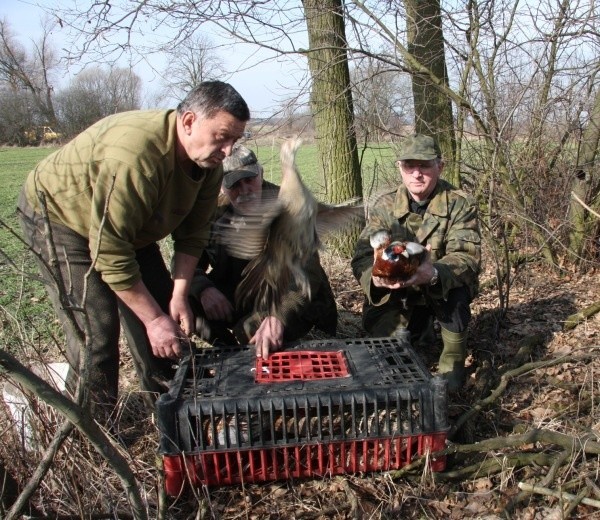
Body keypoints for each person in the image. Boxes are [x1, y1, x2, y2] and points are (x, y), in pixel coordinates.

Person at [17, 81, 250, 416]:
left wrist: (179, 295)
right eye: (222, 136)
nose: (228, 150)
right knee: (97, 332)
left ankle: (165, 405)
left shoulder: (207, 162)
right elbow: (110, 250)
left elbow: (192, 236)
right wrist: (153, 319)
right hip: (61, 216)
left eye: (235, 140)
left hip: (127, 228)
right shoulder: (137, 156)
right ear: (188, 122)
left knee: (162, 304)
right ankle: (94, 431)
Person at [351, 134, 481, 392]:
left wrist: (433, 272)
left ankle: (452, 363)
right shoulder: (385, 204)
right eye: (409, 166)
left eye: (425, 166)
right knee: (385, 354)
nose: (417, 174)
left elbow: (467, 257)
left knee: (454, 296)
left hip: (439, 288)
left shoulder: (459, 203)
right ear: (400, 168)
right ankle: (418, 331)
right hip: (399, 292)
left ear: (439, 167)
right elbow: (363, 256)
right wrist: (376, 277)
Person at [189, 144, 338, 358]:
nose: (245, 190)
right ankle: (229, 351)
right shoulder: (211, 213)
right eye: (235, 185)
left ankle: (245, 346)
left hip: (290, 296)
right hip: (242, 294)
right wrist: (203, 289)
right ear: (221, 186)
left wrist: (278, 315)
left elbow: (307, 273)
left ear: (261, 173)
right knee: (183, 302)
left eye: (250, 179)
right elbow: (188, 260)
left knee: (250, 331)